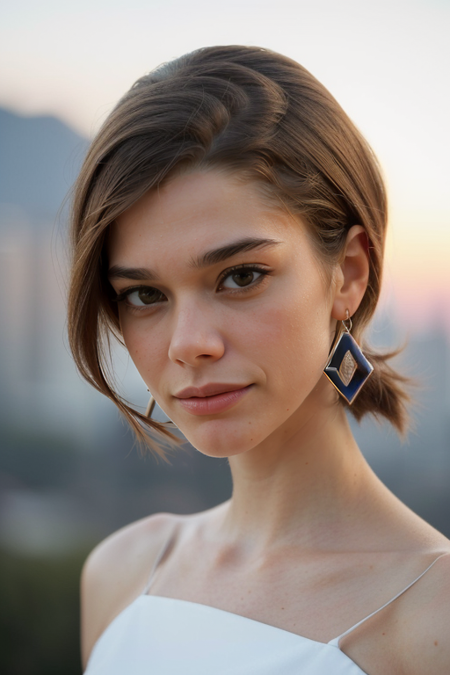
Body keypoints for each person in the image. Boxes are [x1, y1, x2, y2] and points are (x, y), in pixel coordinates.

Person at [67, 46, 450, 675]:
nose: (188, 343)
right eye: (144, 295)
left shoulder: (431, 620)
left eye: (241, 276)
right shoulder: (120, 573)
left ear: (348, 273)